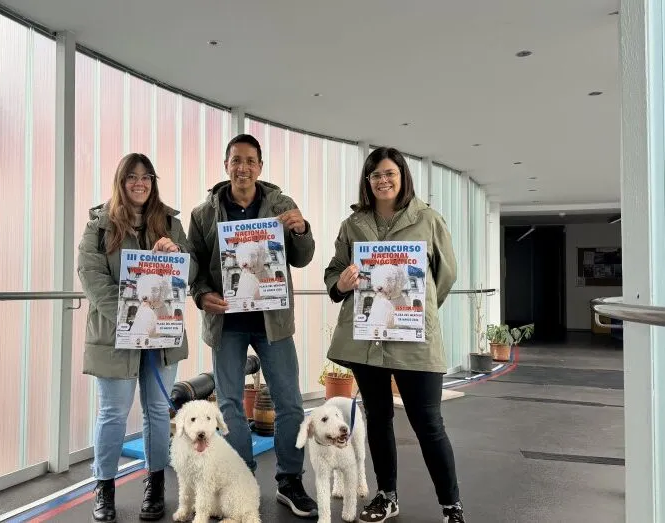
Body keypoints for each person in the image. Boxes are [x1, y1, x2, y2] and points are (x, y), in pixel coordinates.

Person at [323, 146, 466, 523]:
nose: (383, 181)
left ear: (402, 176)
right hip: (367, 340)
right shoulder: (353, 225)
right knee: (379, 418)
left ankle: (451, 506)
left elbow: (445, 275)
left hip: (414, 341)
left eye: (389, 173)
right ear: (367, 182)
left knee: (429, 425)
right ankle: (387, 496)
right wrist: (342, 281)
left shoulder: (428, 219)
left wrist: (417, 311)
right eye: (375, 175)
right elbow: (334, 273)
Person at [187, 133, 319, 518]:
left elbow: (303, 257)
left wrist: (301, 230)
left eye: (250, 161)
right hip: (226, 323)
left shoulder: (282, 204)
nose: (242, 167)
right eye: (235, 160)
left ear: (260, 167)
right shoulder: (202, 215)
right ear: (225, 165)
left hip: (272, 322)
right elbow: (193, 267)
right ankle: (239, 480)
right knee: (228, 407)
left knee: (289, 402)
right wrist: (199, 296)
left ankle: (290, 481)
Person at [78, 153, 194, 522]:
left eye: (146, 177)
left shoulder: (171, 225)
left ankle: (155, 483)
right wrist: (131, 318)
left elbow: (188, 272)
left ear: (153, 182)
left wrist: (177, 255)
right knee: (113, 413)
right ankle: (104, 487)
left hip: (161, 337)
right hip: (115, 336)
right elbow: (92, 277)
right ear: (121, 181)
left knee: (158, 412)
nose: (139, 183)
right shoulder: (99, 226)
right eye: (132, 177)